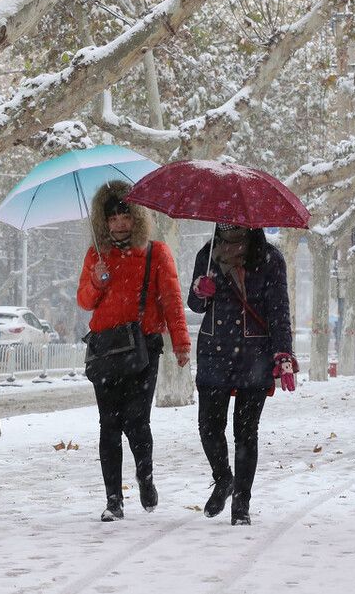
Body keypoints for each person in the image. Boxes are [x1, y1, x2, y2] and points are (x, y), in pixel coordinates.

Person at [76, 181, 191, 523]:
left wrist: (181, 343)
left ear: (136, 216)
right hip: (105, 350)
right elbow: (84, 301)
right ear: (103, 221)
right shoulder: (96, 254)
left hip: (143, 348)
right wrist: (96, 279)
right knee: (108, 425)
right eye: (112, 218)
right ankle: (113, 500)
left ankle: (146, 476)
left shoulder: (157, 252)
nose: (119, 223)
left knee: (137, 422)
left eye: (125, 215)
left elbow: (171, 299)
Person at [187, 223, 296, 526]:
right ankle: (223, 479)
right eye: (223, 218)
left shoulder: (270, 259)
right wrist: (200, 290)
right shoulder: (207, 255)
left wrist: (283, 353)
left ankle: (241, 502)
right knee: (209, 426)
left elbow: (278, 309)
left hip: (255, 356)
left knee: (245, 432)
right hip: (213, 352)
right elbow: (195, 305)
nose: (228, 223)